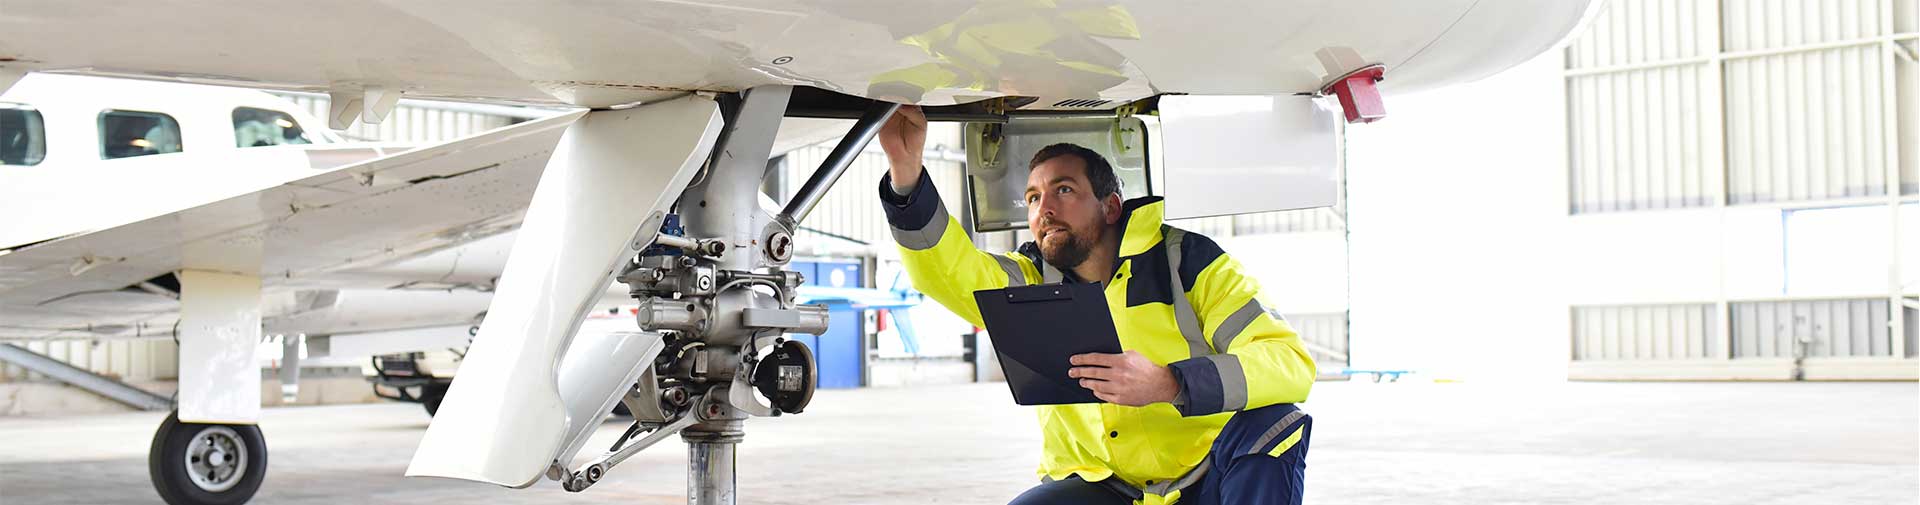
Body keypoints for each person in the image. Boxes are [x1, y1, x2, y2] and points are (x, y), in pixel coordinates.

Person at [874, 106, 1318, 504]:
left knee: (1275, 423)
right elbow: (949, 270)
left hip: (1207, 478)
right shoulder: (1028, 279)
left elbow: (1290, 363)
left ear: (1111, 207)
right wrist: (906, 172)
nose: (1044, 208)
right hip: (1100, 484)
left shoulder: (1189, 263)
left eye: (1063, 190)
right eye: (1032, 197)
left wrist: (1170, 384)